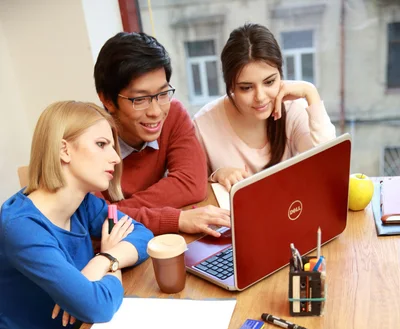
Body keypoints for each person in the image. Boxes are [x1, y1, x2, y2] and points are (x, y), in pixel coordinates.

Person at [0, 101, 153, 329]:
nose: (115, 157)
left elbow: (141, 234)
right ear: (63, 150)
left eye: (112, 145)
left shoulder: (86, 204)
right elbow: (94, 306)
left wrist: (102, 261)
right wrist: (110, 269)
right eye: (101, 144)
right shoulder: (20, 227)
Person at [94, 32, 230, 238]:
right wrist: (174, 219)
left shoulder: (173, 113)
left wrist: (115, 210)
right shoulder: (88, 140)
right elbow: (92, 223)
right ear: (107, 100)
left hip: (150, 239)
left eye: (163, 93)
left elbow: (191, 184)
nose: (156, 112)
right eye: (140, 99)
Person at [193, 23, 336, 191]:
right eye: (246, 87)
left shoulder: (293, 108)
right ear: (231, 86)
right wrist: (216, 176)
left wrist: (310, 93)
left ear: (280, 75)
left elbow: (329, 168)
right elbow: (192, 195)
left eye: (269, 82)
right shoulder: (203, 125)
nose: (260, 97)